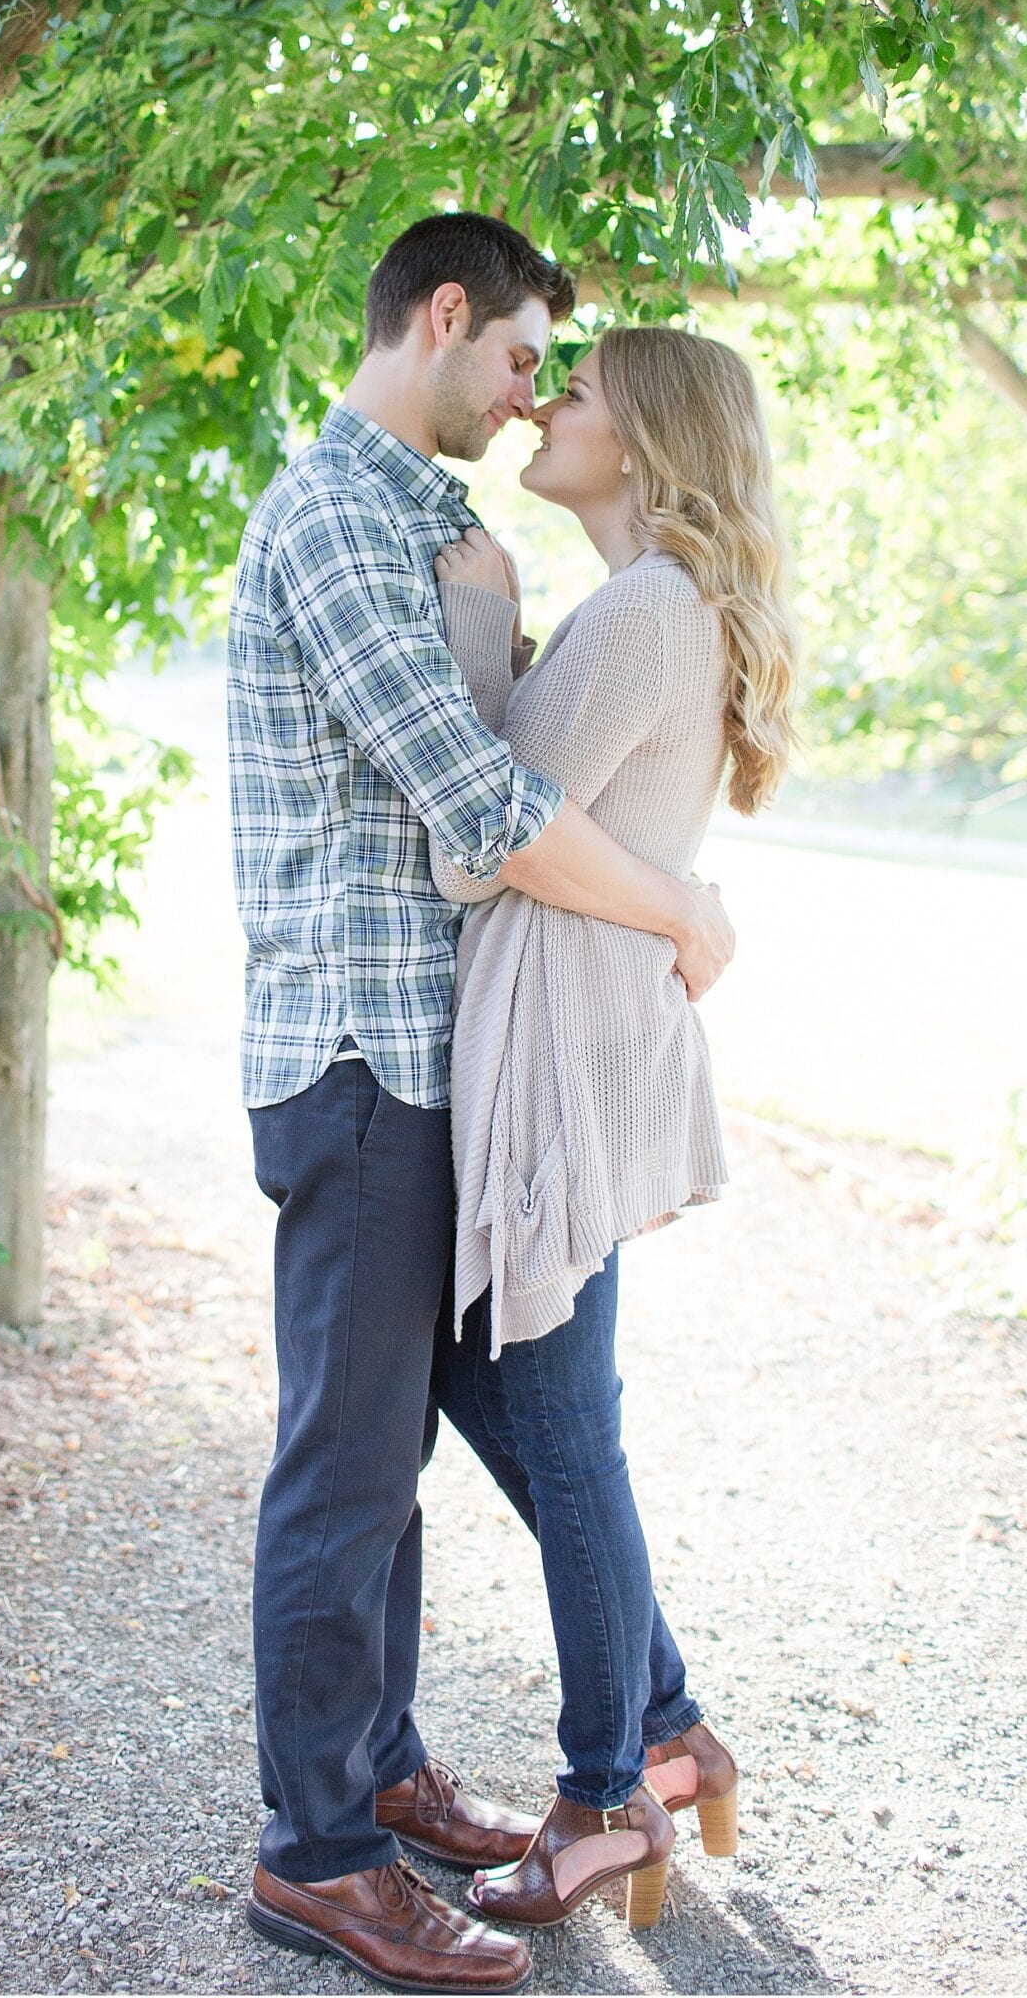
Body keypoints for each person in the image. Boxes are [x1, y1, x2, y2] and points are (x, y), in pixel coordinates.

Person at [227, 218, 737, 1993]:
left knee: (407, 1464)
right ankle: (320, 1852)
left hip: (441, 1066)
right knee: (345, 1468)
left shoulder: (440, 531)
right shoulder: (334, 523)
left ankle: (379, 1766)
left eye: (553, 377)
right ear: (442, 317)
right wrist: (681, 912)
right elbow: (485, 808)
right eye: (522, 356)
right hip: (360, 1056)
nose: (532, 398)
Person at [427, 325, 798, 1936]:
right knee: (486, 1377)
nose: (544, 406)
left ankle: (604, 1799)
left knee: (564, 1422)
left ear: (639, 436)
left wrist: (479, 606)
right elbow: (537, 799)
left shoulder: (647, 607)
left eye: (572, 393)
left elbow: (481, 834)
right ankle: (666, 1723)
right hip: (581, 1028)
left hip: (565, 1042)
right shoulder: (655, 607)